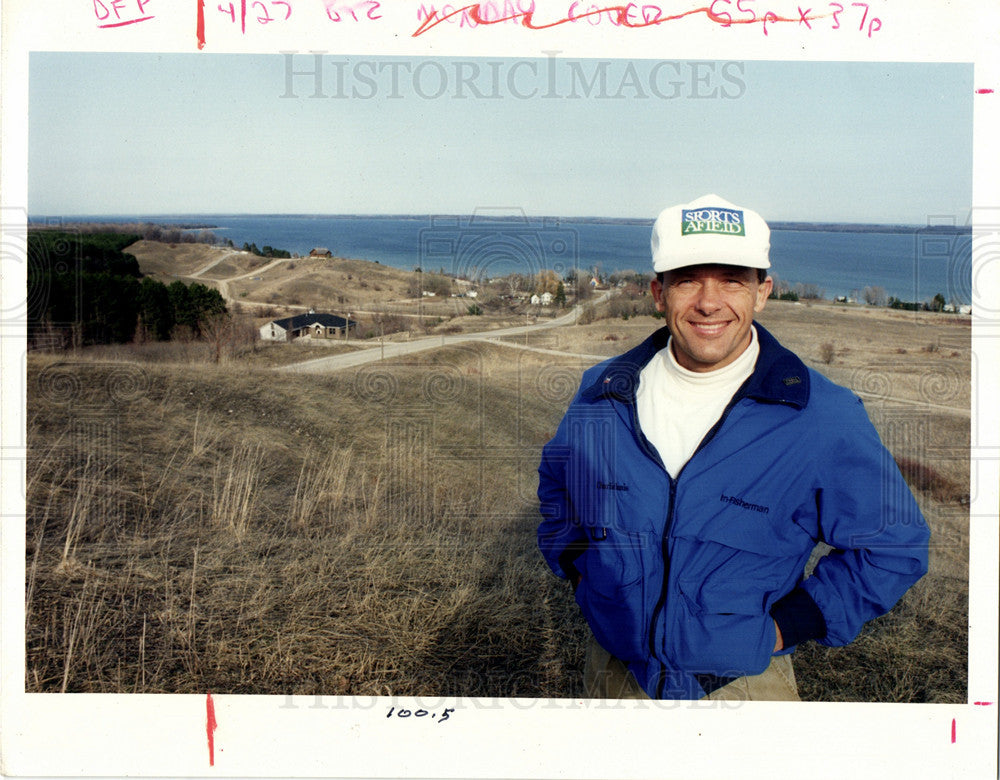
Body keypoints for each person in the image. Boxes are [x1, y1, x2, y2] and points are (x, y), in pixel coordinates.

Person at [536, 194, 930, 701]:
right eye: (687, 279)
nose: (708, 301)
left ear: (762, 292)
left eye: (732, 280)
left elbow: (895, 545)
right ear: (658, 292)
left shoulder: (821, 416)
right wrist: (585, 576)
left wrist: (783, 629)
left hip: (743, 688)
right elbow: (558, 491)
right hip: (615, 676)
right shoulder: (603, 394)